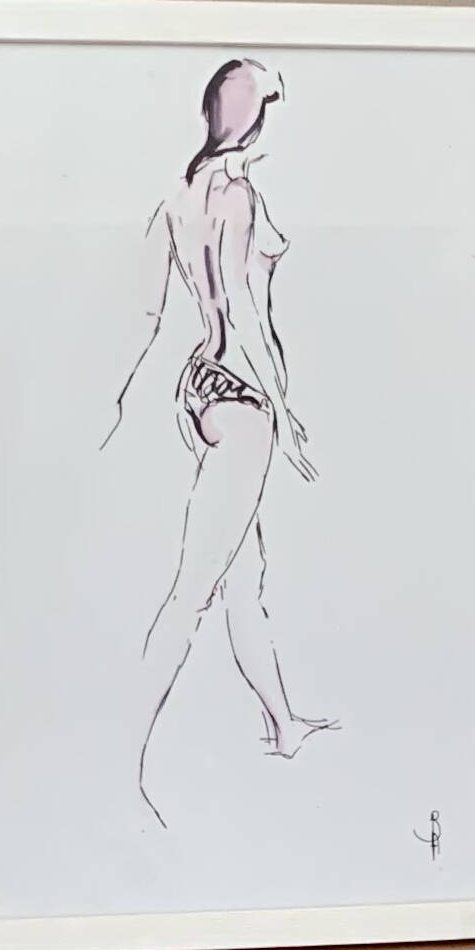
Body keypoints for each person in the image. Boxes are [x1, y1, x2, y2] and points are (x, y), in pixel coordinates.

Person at [104, 56, 334, 820]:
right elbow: (246, 312)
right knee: (193, 591)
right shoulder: (238, 194)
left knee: (243, 579)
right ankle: (120, 767)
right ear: (254, 120)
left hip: (199, 391)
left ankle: (283, 722)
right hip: (241, 400)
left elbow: (148, 309)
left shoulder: (178, 194)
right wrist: (284, 407)